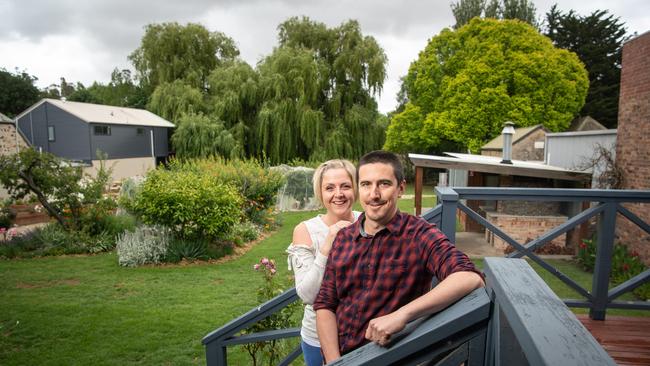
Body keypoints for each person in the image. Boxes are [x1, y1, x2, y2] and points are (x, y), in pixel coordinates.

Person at [313, 150, 485, 363]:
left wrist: (402, 315)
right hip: (340, 359)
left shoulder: (419, 234)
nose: (374, 194)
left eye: (384, 184)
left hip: (390, 358)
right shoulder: (343, 238)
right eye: (366, 184)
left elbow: (470, 277)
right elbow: (325, 304)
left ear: (401, 188)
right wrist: (333, 361)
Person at [286, 159, 362, 366]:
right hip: (318, 340)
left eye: (345, 186)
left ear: (355, 188)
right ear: (320, 193)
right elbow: (307, 294)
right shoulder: (306, 231)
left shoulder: (368, 221)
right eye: (330, 188)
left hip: (363, 333)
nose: (338, 194)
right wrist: (327, 245)